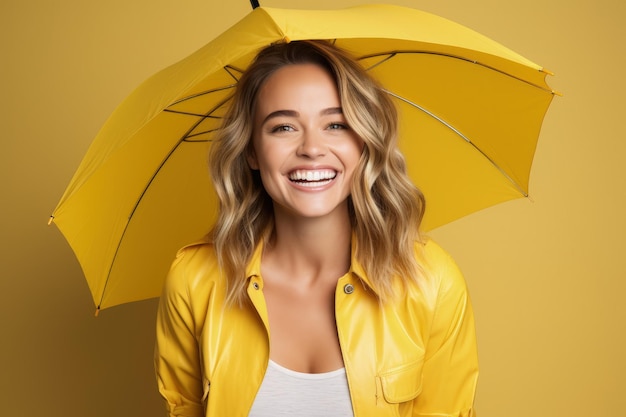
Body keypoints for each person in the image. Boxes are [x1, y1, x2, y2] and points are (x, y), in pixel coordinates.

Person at [154, 40, 478, 417]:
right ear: (251, 152)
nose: (311, 148)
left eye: (336, 124)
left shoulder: (431, 281)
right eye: (284, 127)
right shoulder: (193, 280)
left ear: (364, 143)